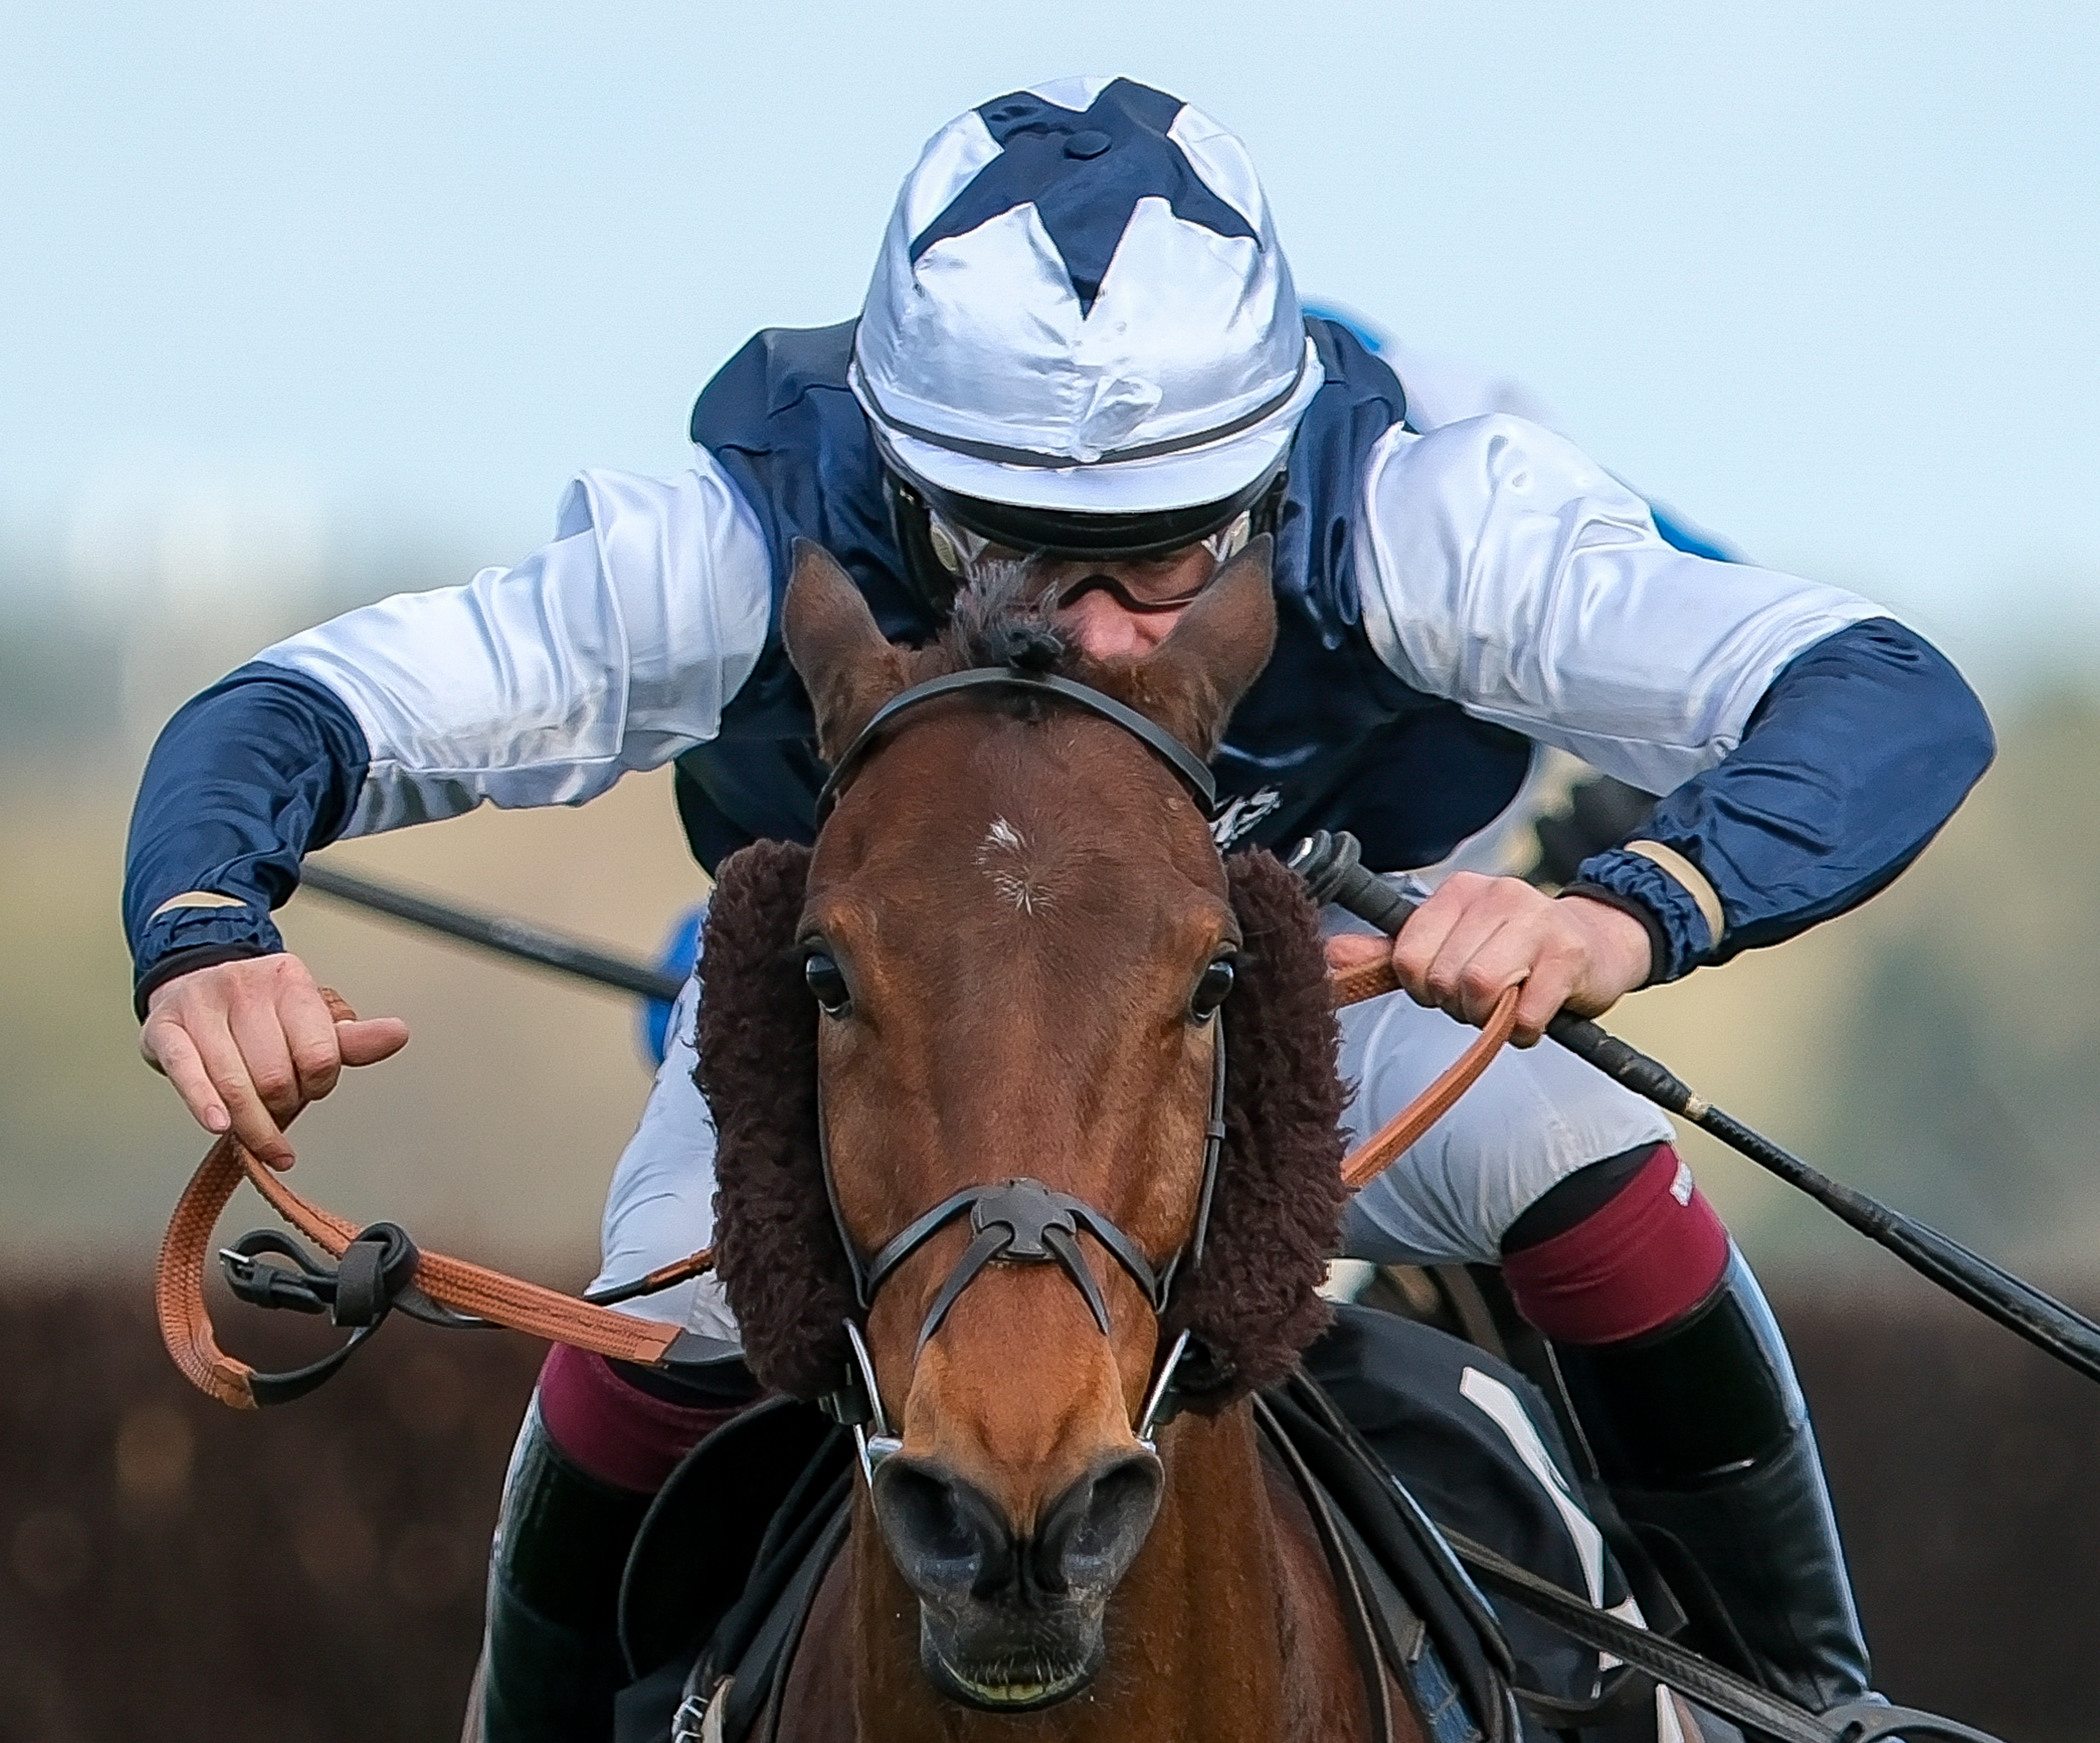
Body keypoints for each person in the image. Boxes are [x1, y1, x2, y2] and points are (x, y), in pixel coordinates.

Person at [125, 77, 1993, 1738]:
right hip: (880, 1006)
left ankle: (1814, 1701)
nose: (1098, 634)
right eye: (1021, 548)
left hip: (1313, 978)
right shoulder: (739, 525)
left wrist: (1627, 911)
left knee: (1578, 1148)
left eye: (1165, 555)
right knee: (654, 1319)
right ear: (906, 474)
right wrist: (209, 916)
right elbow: (300, 712)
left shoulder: (1425, 508)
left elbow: (1882, 692)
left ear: (1262, 476)